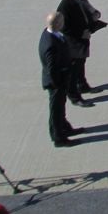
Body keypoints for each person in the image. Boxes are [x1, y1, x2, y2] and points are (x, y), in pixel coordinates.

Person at [56, 0, 106, 108]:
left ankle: (82, 85)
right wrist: (81, 33)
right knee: (73, 70)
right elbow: (64, 28)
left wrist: (94, 15)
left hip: (84, 37)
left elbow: (87, 9)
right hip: (73, 42)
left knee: (81, 63)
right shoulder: (64, 6)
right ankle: (74, 97)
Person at [38, 12, 77, 147]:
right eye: (61, 21)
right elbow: (52, 68)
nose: (63, 23)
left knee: (60, 107)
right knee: (56, 110)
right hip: (56, 83)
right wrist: (59, 84)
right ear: (57, 24)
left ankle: (65, 128)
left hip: (59, 80)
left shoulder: (50, 33)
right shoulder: (50, 44)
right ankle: (58, 138)